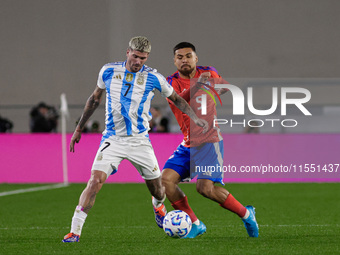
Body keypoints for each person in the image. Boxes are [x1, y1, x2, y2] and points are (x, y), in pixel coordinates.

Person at [62, 36, 208, 242]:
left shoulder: (153, 78)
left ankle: (158, 206)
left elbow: (176, 99)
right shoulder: (109, 71)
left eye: (143, 58)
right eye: (136, 56)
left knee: (158, 190)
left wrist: (195, 119)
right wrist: (79, 129)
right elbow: (95, 98)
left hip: (140, 141)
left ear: (147, 57)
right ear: (128, 52)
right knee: (95, 181)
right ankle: (74, 231)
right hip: (113, 139)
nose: (138, 61)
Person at [159, 42, 259, 238]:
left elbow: (224, 87)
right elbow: (179, 101)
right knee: (165, 182)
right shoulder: (170, 82)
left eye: (188, 56)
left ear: (196, 58)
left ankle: (247, 214)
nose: (184, 60)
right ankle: (196, 224)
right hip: (188, 143)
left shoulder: (208, 72)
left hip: (209, 141)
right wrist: (198, 86)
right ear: (174, 61)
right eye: (180, 57)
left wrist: (214, 87)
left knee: (205, 188)